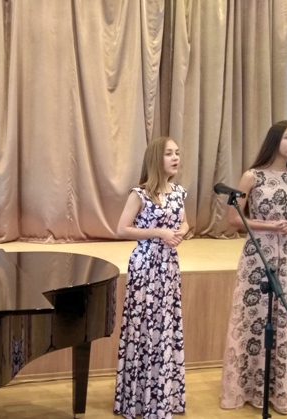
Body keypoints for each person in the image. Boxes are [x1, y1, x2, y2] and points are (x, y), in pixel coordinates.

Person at [220, 120, 287, 414]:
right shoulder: (252, 176)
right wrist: (271, 226)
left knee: (285, 316)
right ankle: (251, 387)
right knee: (257, 317)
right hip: (258, 255)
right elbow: (233, 219)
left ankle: (279, 388)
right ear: (275, 140)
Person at [113, 137, 189, 418]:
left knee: (166, 326)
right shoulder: (140, 193)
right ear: (156, 158)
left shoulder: (179, 192)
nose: (175, 157)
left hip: (169, 265)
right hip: (146, 264)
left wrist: (181, 232)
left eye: (177, 153)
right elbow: (122, 229)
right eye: (169, 153)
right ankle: (139, 400)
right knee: (144, 327)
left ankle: (163, 397)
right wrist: (159, 233)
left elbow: (185, 221)